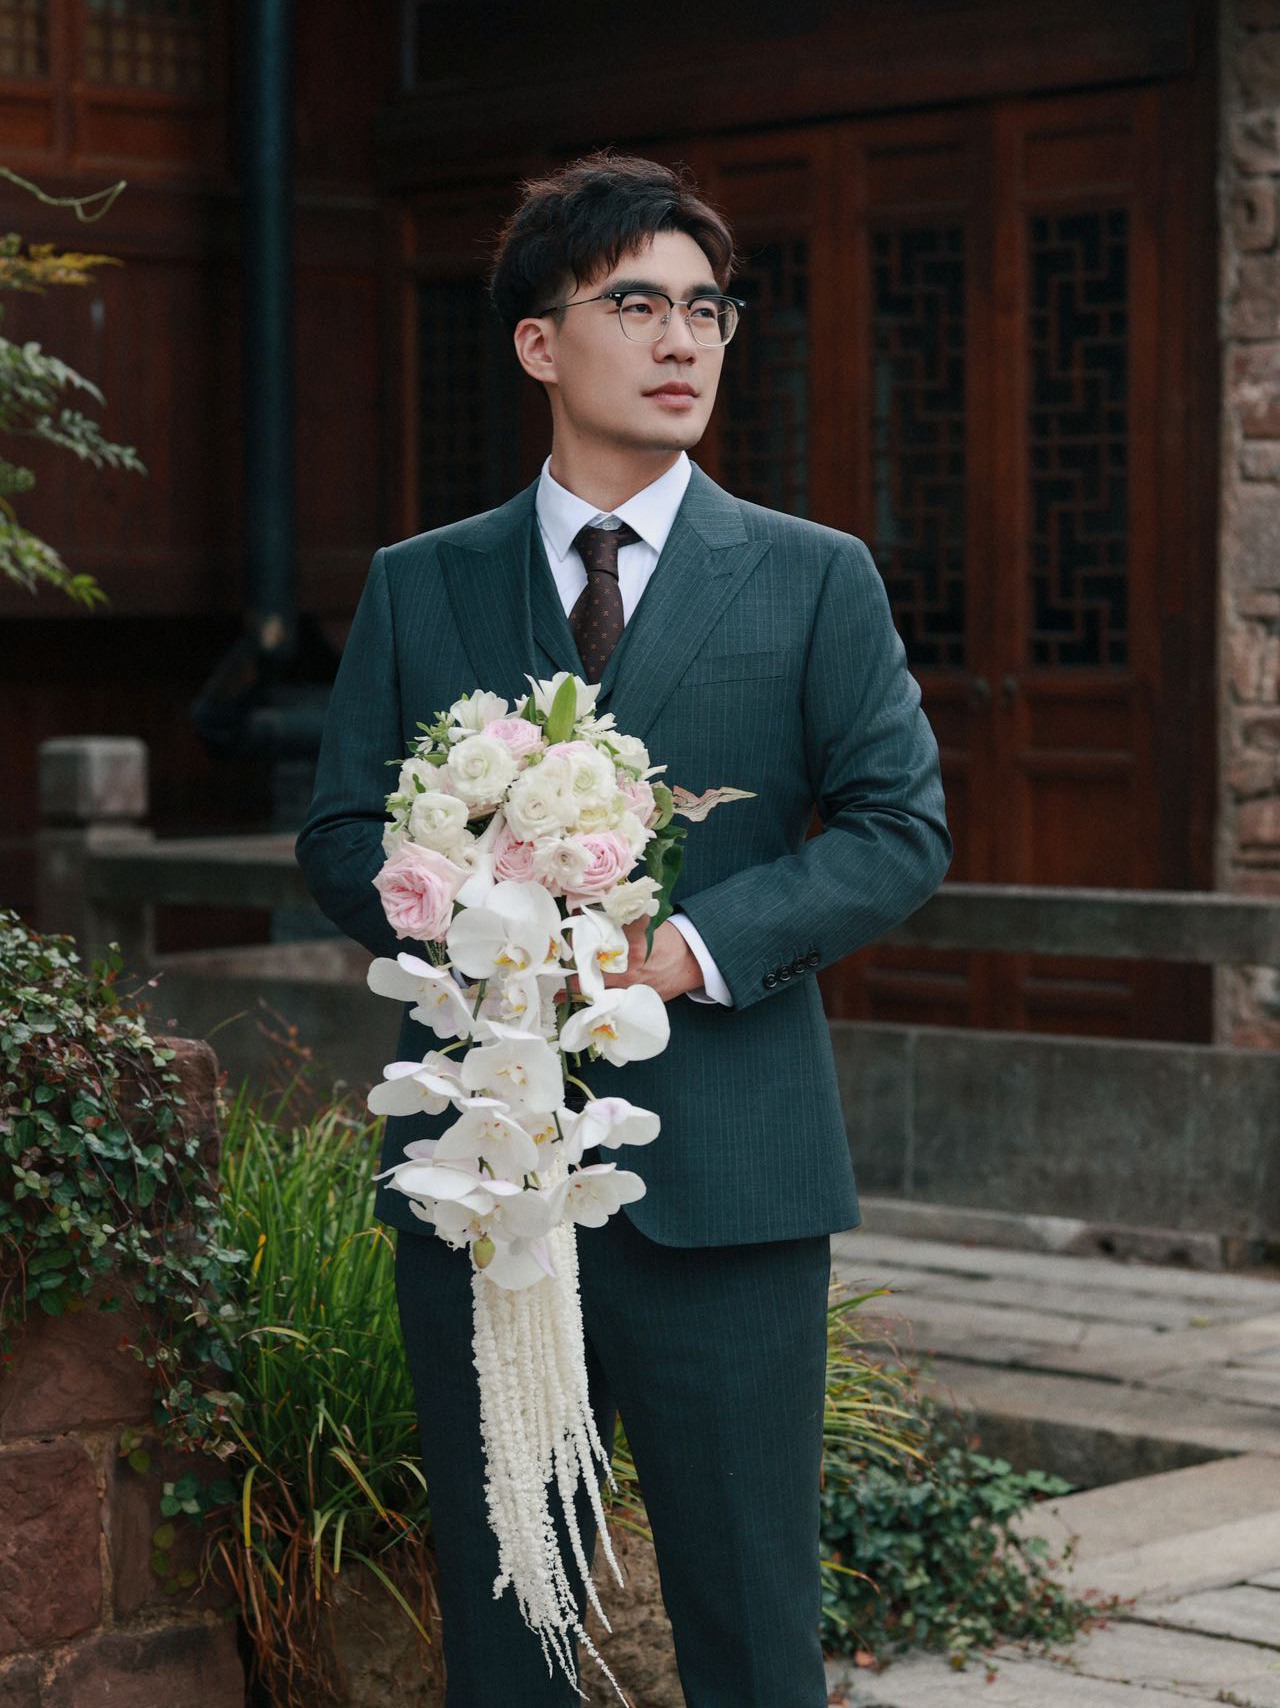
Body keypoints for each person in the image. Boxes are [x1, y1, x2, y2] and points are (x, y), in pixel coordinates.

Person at [296, 149, 952, 1708]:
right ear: (540, 342)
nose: (683, 341)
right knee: (509, 1622)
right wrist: (476, 904)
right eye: (637, 305)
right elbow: (337, 835)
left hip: (732, 1180)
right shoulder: (421, 584)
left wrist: (682, 950)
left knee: (752, 1633)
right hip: (486, 1179)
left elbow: (898, 830)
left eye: (707, 310)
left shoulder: (812, 579)